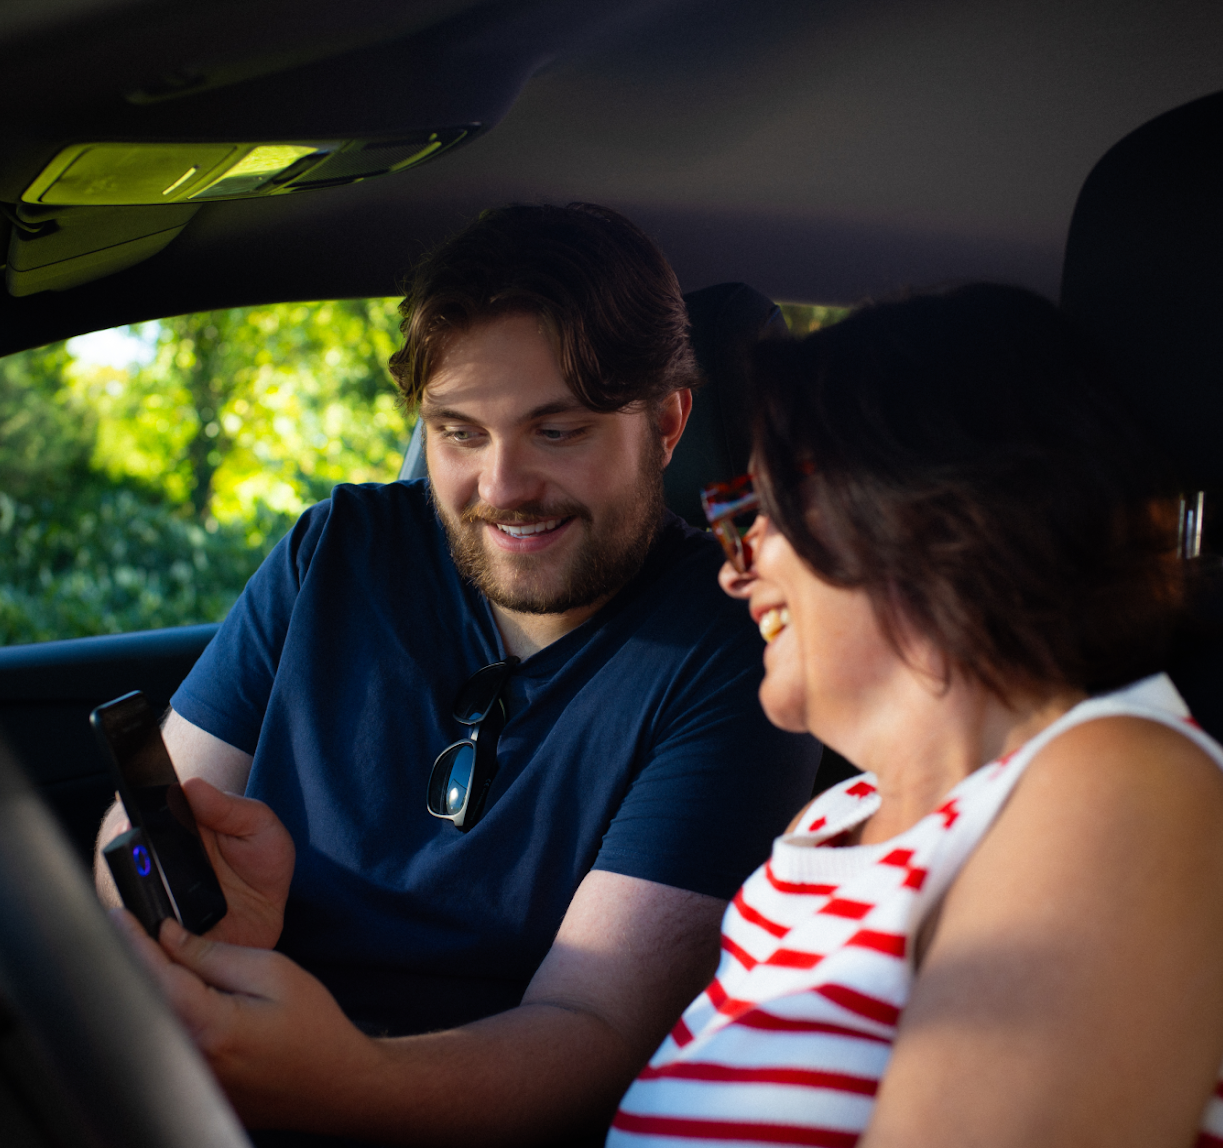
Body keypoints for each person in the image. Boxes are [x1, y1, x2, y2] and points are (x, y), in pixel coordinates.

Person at [95, 203, 822, 1142]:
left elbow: (594, 1029)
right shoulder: (338, 551)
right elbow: (144, 824)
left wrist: (345, 1079)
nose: (502, 486)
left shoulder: (739, 645)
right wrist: (196, 928)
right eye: (459, 433)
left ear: (668, 421)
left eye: (557, 432)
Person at [612, 285, 1223, 1147]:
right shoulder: (834, 820)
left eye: (764, 512)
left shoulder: (1124, 791)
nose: (735, 567)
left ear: (921, 505)